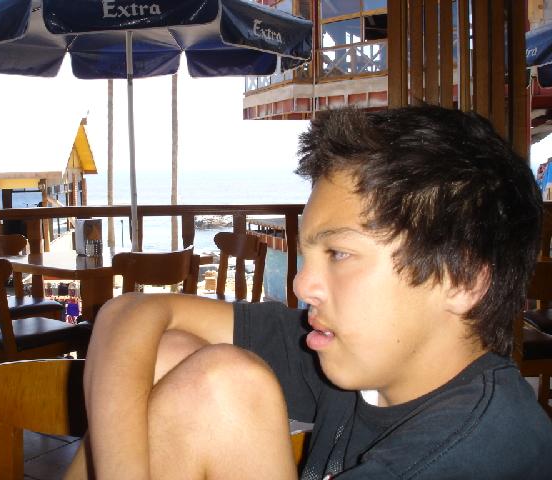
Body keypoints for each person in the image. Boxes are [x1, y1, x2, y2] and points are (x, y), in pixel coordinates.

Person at [76, 105, 552, 479]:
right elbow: (130, 312)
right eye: (307, 255)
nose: (302, 284)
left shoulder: (473, 455)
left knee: (217, 379)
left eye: (339, 253)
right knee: (174, 355)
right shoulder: (363, 359)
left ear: (461, 280)